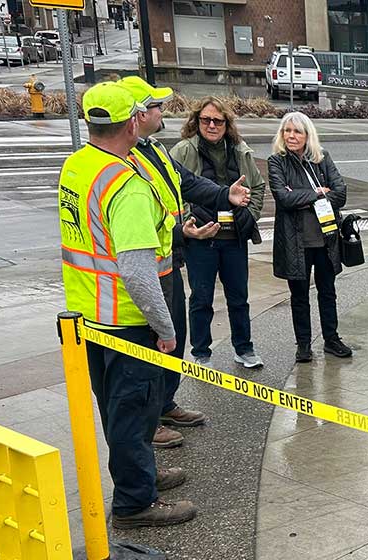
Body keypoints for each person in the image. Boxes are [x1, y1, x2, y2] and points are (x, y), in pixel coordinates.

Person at [58, 82, 196, 527]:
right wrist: (166, 328)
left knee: (117, 410)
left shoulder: (79, 165)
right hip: (126, 319)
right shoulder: (126, 186)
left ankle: (144, 476)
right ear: (134, 121)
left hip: (88, 316)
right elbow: (137, 271)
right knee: (133, 413)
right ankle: (136, 503)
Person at [115, 76, 249, 450]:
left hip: (166, 261)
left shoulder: (152, 149)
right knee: (154, 342)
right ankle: (149, 418)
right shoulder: (124, 162)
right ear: (136, 115)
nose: (162, 111)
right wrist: (182, 234)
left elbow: (185, 183)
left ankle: (165, 402)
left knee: (173, 336)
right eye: (156, 106)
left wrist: (226, 195)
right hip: (142, 272)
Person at [168, 97, 267, 369]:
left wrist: (250, 216)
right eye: (205, 120)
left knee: (239, 297)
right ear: (196, 121)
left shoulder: (240, 151)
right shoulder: (183, 151)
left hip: (233, 237)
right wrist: (189, 223)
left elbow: (258, 187)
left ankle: (244, 349)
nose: (211, 125)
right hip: (202, 239)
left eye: (217, 121)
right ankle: (201, 352)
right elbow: (172, 190)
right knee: (201, 297)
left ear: (227, 124)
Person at [267, 111, 353, 363]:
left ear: (308, 135)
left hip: (324, 239)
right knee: (299, 296)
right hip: (296, 243)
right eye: (287, 131)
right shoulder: (276, 162)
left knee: (328, 292)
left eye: (297, 131)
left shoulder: (322, 158)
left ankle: (331, 339)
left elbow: (340, 194)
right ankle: (303, 344)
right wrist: (317, 193)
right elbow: (283, 198)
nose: (291, 136)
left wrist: (301, 196)